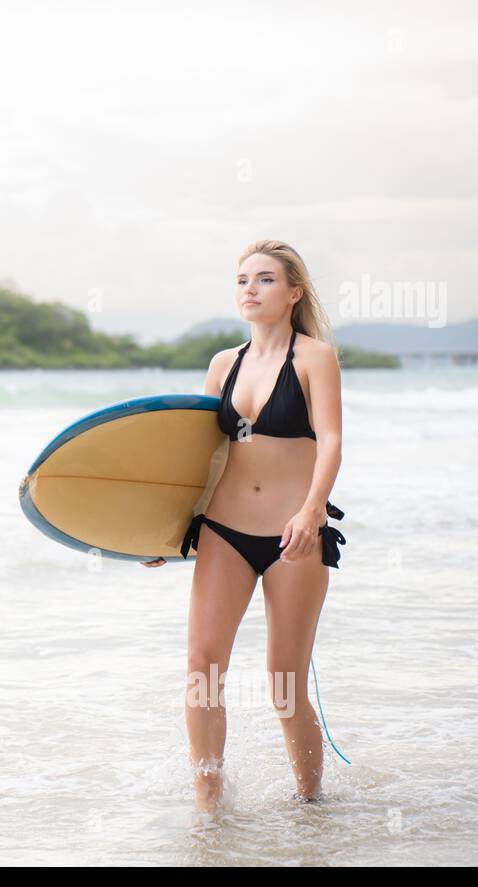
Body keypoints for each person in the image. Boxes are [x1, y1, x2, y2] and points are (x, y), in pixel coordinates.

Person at [141, 240, 346, 813]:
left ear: (293, 292)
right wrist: (162, 529)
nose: (250, 289)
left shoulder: (314, 357)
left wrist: (311, 511)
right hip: (224, 530)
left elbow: (330, 441)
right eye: (241, 280)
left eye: (264, 280)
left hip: (293, 536)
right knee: (202, 665)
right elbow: (198, 453)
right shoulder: (222, 365)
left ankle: (310, 803)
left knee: (284, 683)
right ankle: (208, 794)